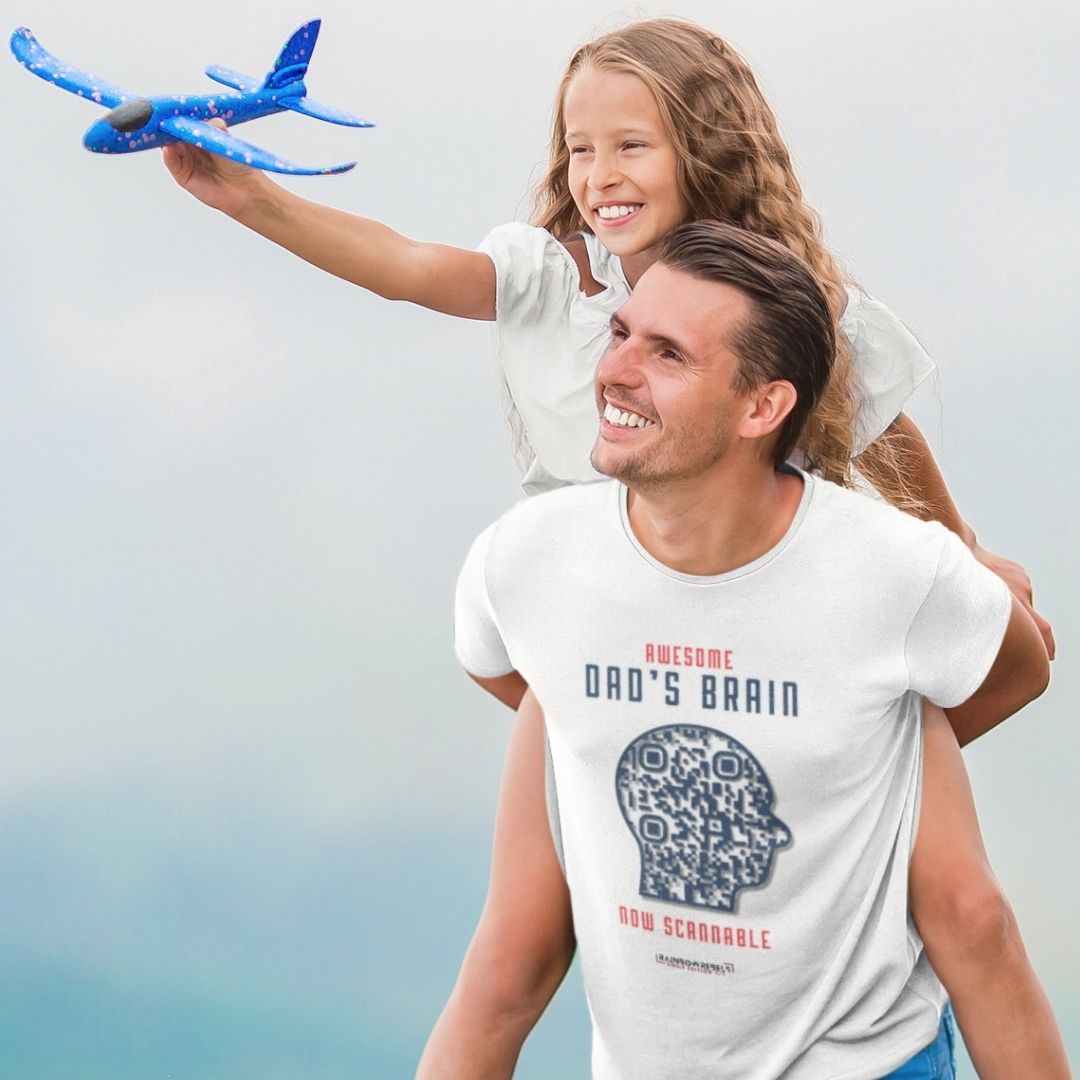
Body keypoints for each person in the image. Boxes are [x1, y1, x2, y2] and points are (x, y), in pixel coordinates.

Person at [161, 15, 1057, 1073]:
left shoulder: (784, 312)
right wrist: (251, 197)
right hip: (593, 629)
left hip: (781, 631)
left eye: (630, 144)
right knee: (506, 963)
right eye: (578, 148)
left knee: (963, 911)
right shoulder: (554, 286)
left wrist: (956, 566)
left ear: (705, 149)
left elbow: (880, 442)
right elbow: (405, 265)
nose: (597, 173)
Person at [444, 221, 1068, 1078]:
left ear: (763, 407)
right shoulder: (526, 565)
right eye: (623, 333)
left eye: (669, 355)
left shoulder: (894, 571)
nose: (615, 372)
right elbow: (513, 681)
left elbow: (1018, 668)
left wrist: (860, 761)